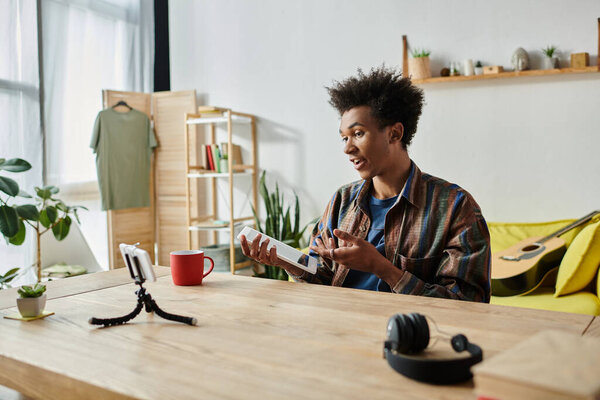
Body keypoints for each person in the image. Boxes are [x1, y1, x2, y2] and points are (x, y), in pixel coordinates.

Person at [240, 66, 491, 302]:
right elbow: (323, 278)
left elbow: (469, 303)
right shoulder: (342, 201)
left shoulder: (454, 207)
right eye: (344, 138)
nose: (348, 148)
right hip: (343, 329)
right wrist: (287, 262)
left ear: (394, 133)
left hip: (410, 341)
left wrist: (382, 268)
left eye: (358, 134)